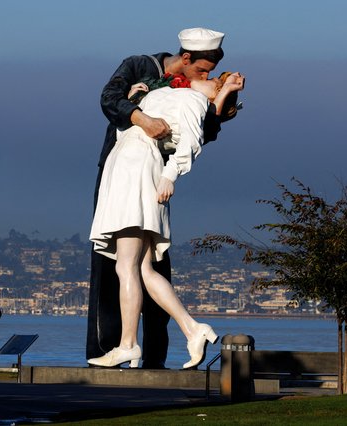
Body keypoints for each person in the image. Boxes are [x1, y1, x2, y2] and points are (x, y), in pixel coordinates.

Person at [87, 27, 236, 369]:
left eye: (211, 78)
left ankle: (129, 345)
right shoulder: (152, 75)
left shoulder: (191, 99)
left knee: (126, 266)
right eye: (203, 71)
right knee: (141, 267)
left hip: (136, 168)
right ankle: (191, 328)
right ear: (185, 59)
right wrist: (138, 104)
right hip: (130, 166)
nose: (207, 77)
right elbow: (110, 100)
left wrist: (222, 94)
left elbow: (195, 139)